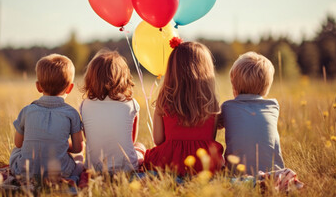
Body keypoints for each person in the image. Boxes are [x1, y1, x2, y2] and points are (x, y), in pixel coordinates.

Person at [143, 39, 224, 176]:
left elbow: (158, 140)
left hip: (169, 163)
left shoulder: (164, 101)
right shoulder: (211, 103)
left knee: (142, 153)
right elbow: (210, 138)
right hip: (203, 164)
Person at [9, 54, 84, 181]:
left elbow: (18, 143)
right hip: (60, 172)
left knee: (16, 151)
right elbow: (78, 148)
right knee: (79, 158)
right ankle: (72, 178)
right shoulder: (72, 114)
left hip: (24, 171)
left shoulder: (27, 111)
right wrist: (62, 145)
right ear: (70, 88)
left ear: (38, 86)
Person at [219, 51, 284, 175]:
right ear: (266, 87)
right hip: (274, 174)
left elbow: (215, 125)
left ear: (234, 86)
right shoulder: (273, 106)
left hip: (237, 174)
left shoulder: (227, 107)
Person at [80, 50, 145, 173]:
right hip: (126, 168)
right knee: (140, 147)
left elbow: (89, 138)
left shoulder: (85, 105)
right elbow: (132, 140)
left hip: (93, 168)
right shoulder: (131, 104)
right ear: (123, 78)